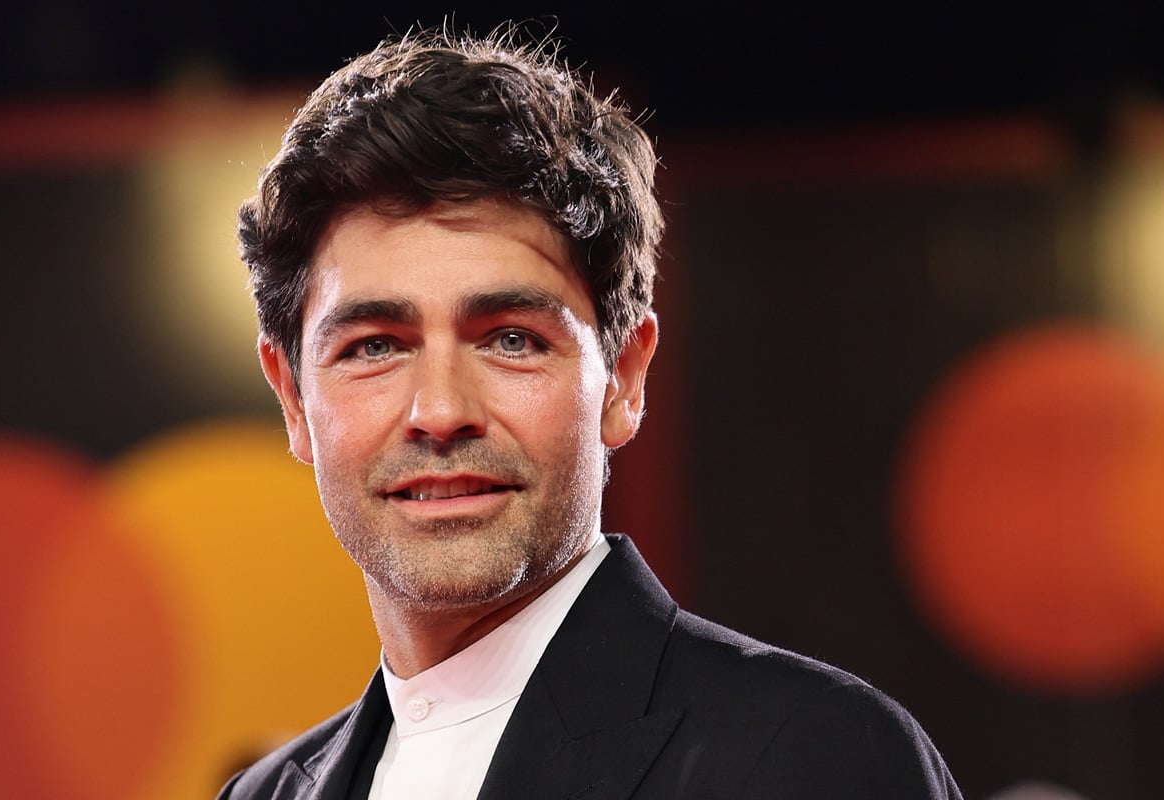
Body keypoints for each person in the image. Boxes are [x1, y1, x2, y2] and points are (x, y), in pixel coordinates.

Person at [221, 26, 962, 799]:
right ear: (293, 398)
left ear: (624, 379)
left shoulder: (813, 759)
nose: (440, 411)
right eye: (375, 346)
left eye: (511, 340)